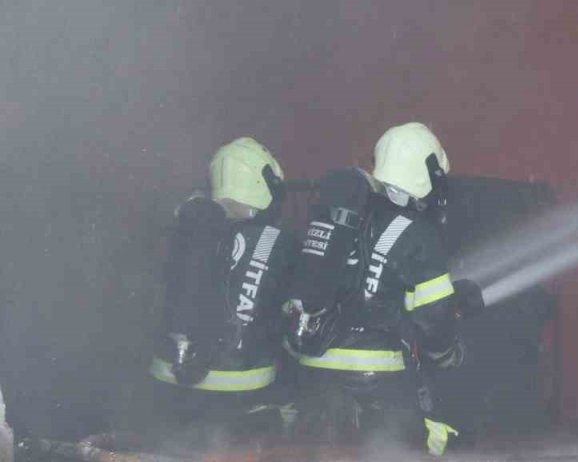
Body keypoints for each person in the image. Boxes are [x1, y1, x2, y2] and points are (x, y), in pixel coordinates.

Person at [286, 122, 481, 456]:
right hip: (379, 376)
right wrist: (448, 352)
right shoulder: (418, 233)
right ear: (426, 175)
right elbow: (434, 318)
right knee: (409, 446)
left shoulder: (347, 219)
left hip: (315, 368)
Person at [149, 137, 295, 446]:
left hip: (170, 379)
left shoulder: (186, 232)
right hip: (242, 389)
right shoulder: (277, 241)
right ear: (263, 182)